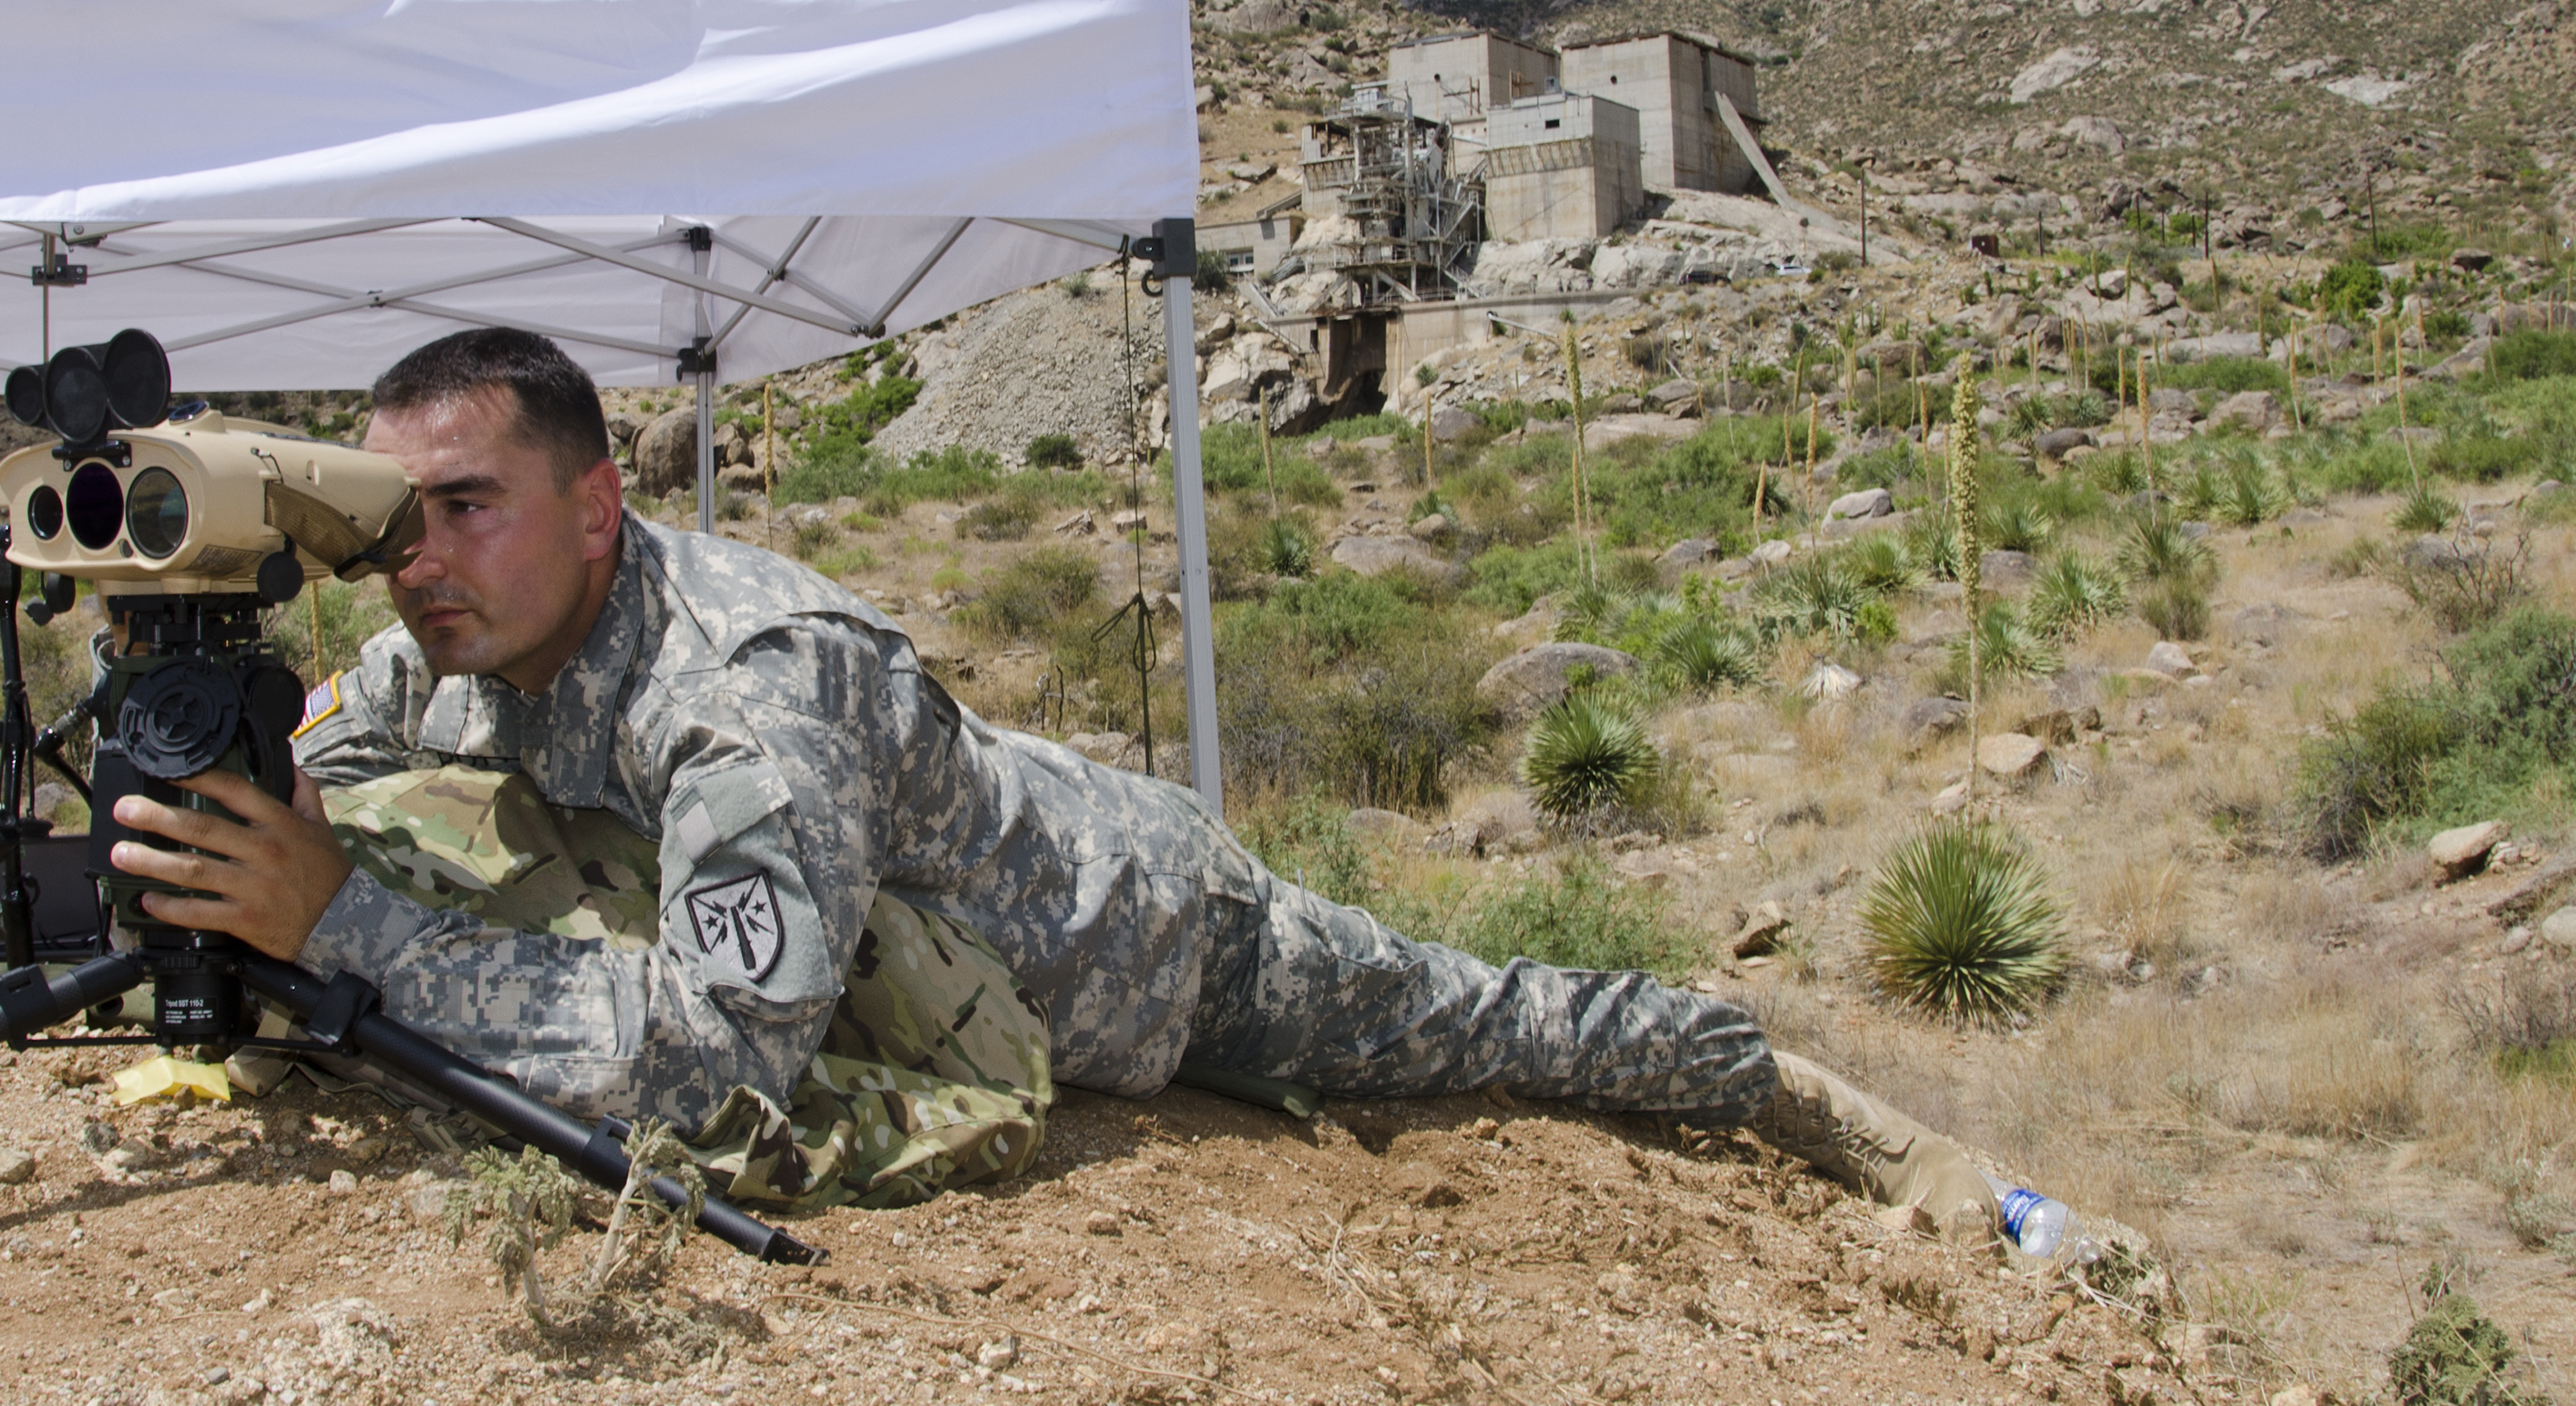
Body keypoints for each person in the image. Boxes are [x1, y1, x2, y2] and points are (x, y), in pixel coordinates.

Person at [106, 327, 1995, 1230]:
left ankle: (1779, 1082)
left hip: (1153, 946)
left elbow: (711, 1061)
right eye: (393, 519)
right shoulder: (447, 638)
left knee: (1480, 1021)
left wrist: (346, 926)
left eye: (466, 509)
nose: (418, 559)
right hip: (954, 953)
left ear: (596, 504)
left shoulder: (744, 691)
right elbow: (332, 758)